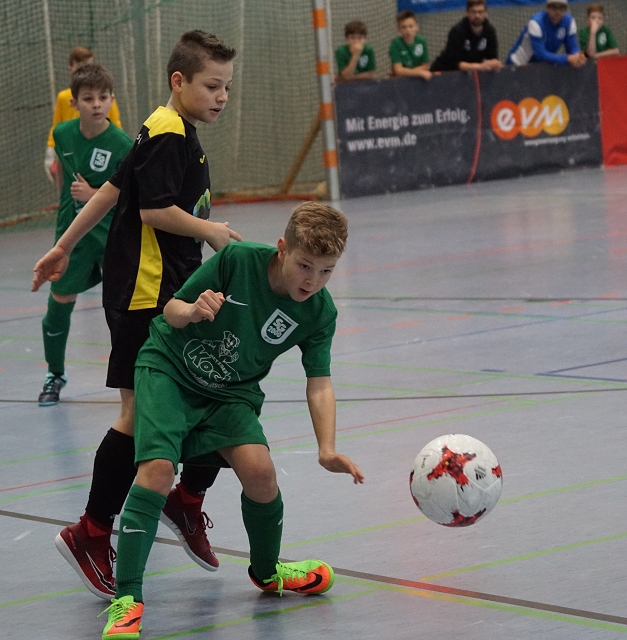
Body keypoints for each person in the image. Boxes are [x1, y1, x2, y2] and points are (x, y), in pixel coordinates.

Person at [32, 30, 242, 601]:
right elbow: (152, 209)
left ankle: (182, 501)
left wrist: (64, 246)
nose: (222, 96)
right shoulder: (167, 133)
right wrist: (209, 230)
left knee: (208, 391)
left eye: (227, 86)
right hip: (146, 296)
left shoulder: (161, 125)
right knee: (138, 414)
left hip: (163, 290)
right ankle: (92, 533)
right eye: (212, 85)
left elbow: (109, 190)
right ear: (179, 80)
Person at [100, 202, 364, 639]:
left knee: (261, 473)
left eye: (326, 272)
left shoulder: (320, 312)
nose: (312, 281)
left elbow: (319, 384)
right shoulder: (237, 260)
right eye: (304, 266)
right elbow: (171, 310)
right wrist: (193, 310)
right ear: (282, 249)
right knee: (158, 470)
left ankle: (267, 571)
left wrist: (327, 448)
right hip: (170, 368)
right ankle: (127, 599)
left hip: (232, 391)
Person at [38, 64, 133, 407]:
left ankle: (135, 378)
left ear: (111, 100)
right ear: (74, 103)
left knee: (124, 314)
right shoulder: (63, 134)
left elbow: (131, 196)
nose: (96, 104)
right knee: (58, 306)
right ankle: (55, 373)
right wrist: (66, 213)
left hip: (110, 238)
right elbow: (64, 180)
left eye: (103, 97)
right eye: (88, 98)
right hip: (73, 237)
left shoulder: (123, 144)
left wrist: (94, 195)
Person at [45, 47, 123, 182]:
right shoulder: (63, 97)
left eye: (89, 66)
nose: (96, 104)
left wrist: (116, 145)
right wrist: (51, 149)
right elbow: (57, 124)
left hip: (99, 146)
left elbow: (115, 122)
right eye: (87, 99)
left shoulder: (106, 98)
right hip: (73, 147)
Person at [507, 0, 586, 67]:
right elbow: (540, 54)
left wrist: (578, 56)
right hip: (519, 64)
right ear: (547, 8)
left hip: (542, 66)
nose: (558, 11)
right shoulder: (536, 23)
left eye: (561, 8)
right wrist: (567, 58)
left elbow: (572, 47)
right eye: (554, 7)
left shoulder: (569, 22)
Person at [431, 0, 502, 72]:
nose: (477, 15)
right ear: (467, 13)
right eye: (473, 12)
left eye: (480, 12)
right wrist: (480, 67)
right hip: (445, 71)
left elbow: (492, 58)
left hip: (470, 72)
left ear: (486, 13)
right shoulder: (457, 31)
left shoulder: (490, 31)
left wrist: (493, 64)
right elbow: (455, 63)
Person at [389, 10, 432, 80]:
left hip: (418, 80)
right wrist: (419, 73)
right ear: (399, 29)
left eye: (411, 26)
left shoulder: (421, 41)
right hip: (401, 81)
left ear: (417, 27)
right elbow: (398, 70)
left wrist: (408, 72)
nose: (408, 30)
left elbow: (426, 66)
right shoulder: (395, 44)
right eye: (404, 27)